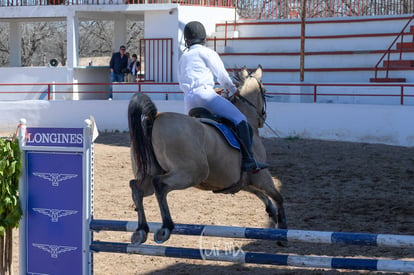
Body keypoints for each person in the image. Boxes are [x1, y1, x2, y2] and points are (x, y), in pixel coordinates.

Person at [177, 21, 268, 172]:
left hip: (188, 101)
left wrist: (207, 89)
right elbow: (223, 77)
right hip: (206, 96)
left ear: (187, 40)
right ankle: (248, 160)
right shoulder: (208, 53)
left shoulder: (183, 58)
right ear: (203, 38)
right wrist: (234, 91)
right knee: (241, 120)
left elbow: (181, 83)